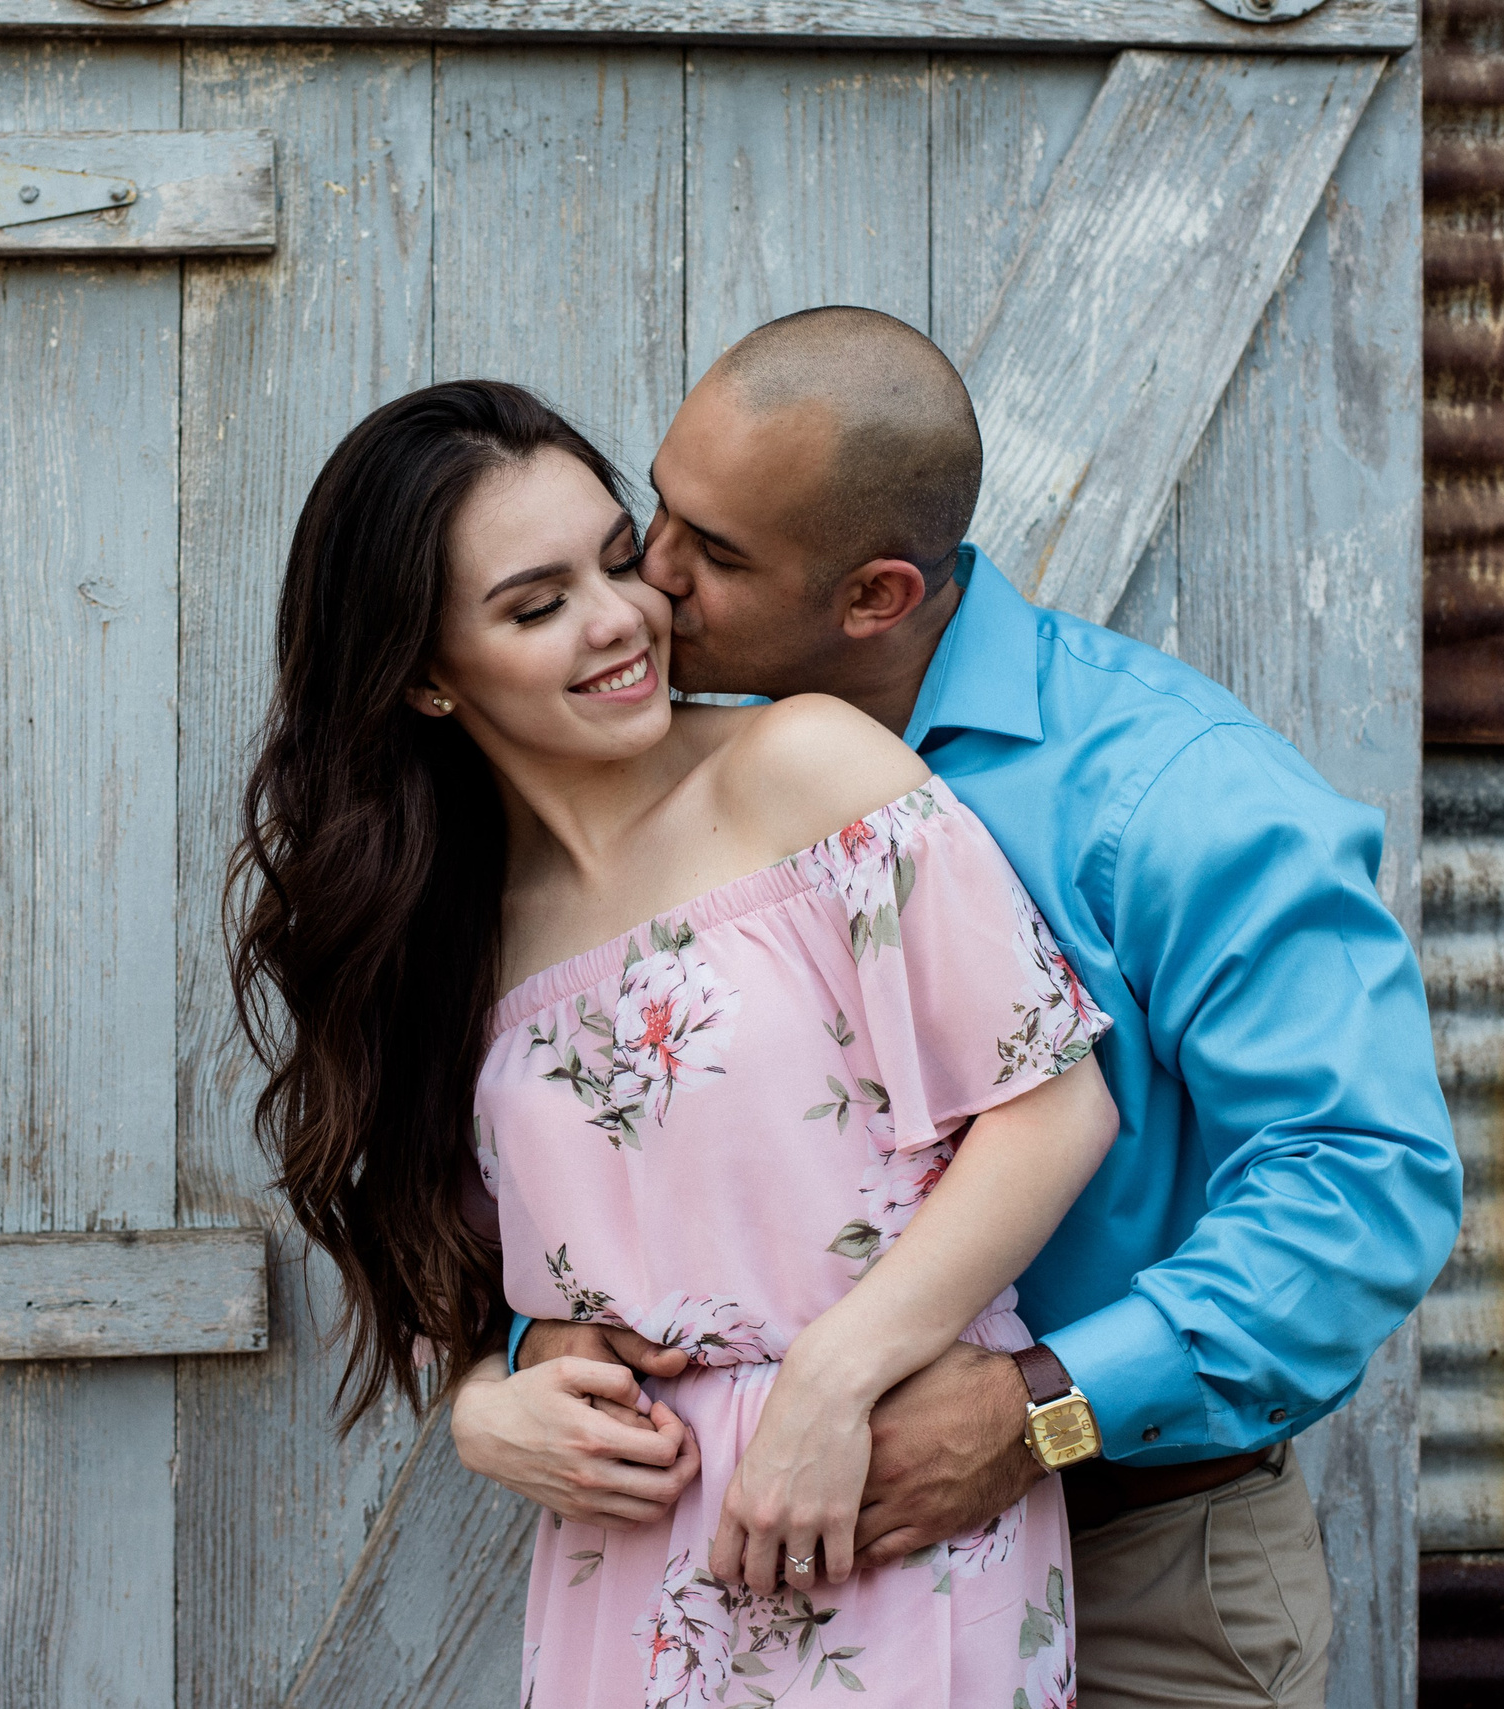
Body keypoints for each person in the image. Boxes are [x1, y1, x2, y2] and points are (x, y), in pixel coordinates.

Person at [452, 308, 1462, 1709]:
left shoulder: (1173, 794)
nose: (653, 586)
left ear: (874, 596)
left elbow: (1365, 1186)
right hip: (780, 1581)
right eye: (654, 521)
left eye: (712, 556)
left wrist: (1041, 1410)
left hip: (1146, 1568)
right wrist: (525, 1366)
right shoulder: (637, 809)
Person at [230, 379, 1124, 1707]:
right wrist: (490, 1401)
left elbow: (1053, 1108)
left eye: (616, 560)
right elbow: (480, 1280)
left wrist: (831, 1384)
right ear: (423, 675)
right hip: (631, 1562)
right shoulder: (443, 932)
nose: (620, 619)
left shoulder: (805, 769)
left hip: (881, 1497)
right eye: (537, 606)